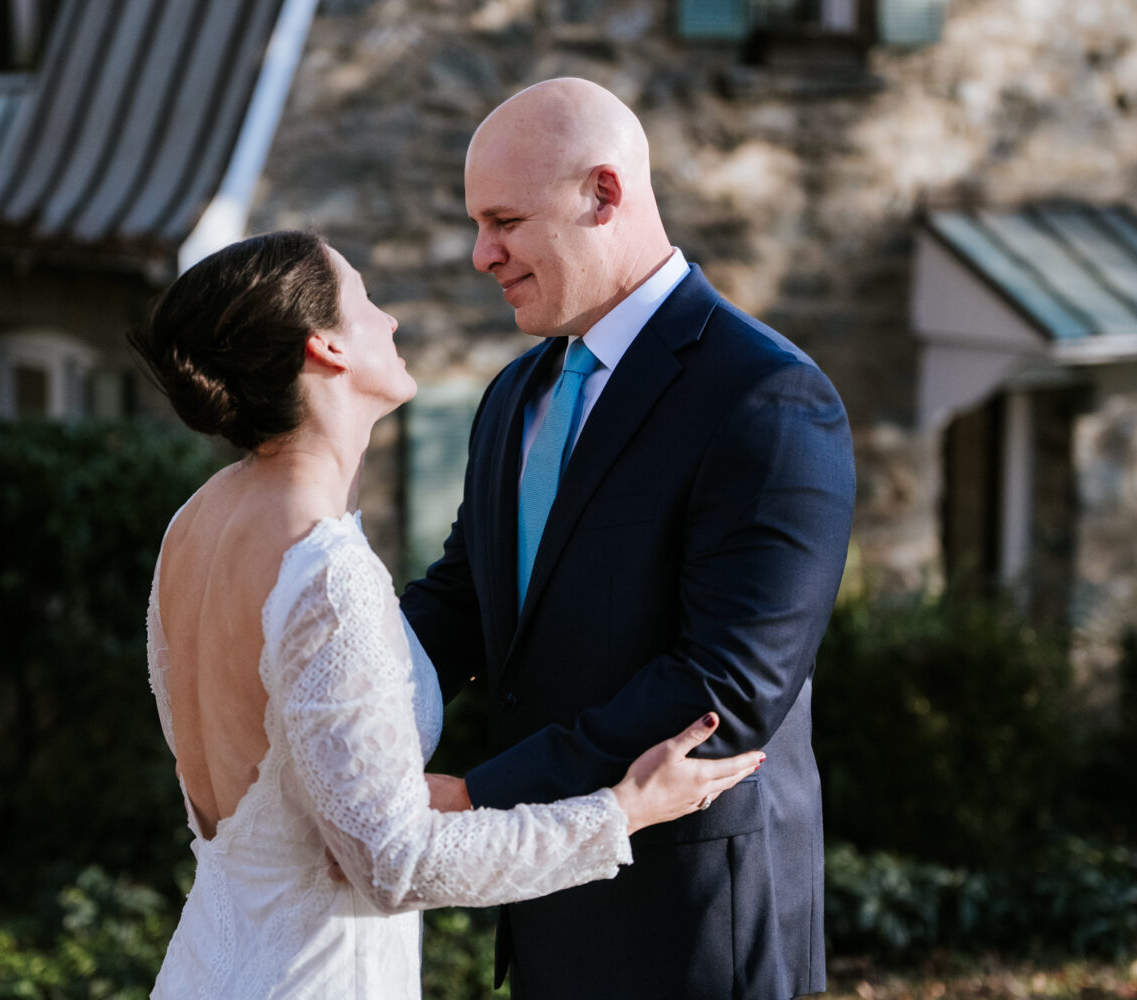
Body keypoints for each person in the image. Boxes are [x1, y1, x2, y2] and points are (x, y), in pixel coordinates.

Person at [127, 230, 765, 999]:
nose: (390, 321)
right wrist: (619, 813)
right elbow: (397, 863)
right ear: (326, 347)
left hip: (207, 965)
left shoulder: (193, 525)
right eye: (365, 301)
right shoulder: (324, 567)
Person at [400, 78, 857, 999]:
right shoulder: (515, 394)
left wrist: (479, 796)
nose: (480, 253)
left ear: (603, 194)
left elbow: (727, 686)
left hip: (696, 924)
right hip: (547, 898)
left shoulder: (766, 397)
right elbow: (462, 598)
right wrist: (327, 700)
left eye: (504, 221)